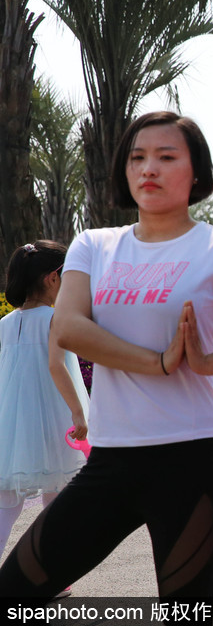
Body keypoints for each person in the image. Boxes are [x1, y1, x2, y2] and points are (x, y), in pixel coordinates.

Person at [0, 111, 213, 603]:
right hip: (112, 456)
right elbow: (69, 327)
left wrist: (209, 362)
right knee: (14, 591)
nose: (149, 168)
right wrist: (157, 362)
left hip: (191, 452)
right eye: (138, 157)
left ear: (197, 172)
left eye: (166, 157)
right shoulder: (95, 246)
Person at [0, 242, 89, 582]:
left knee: (6, 504)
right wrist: (78, 412)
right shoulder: (55, 318)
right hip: (54, 415)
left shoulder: (6, 323)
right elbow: (56, 366)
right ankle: (50, 576)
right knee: (58, 499)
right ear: (53, 278)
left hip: (13, 422)